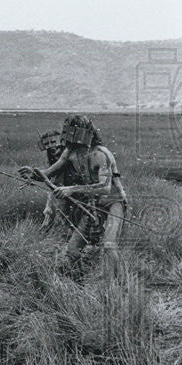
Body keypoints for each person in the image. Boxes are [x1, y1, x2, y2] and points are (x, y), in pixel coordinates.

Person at [20, 115, 127, 268]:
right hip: (91, 204)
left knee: (109, 246)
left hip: (113, 203)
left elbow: (105, 188)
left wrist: (71, 189)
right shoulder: (69, 152)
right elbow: (49, 172)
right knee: (72, 251)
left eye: (76, 132)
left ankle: (120, 286)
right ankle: (78, 280)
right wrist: (33, 173)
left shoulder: (101, 154)